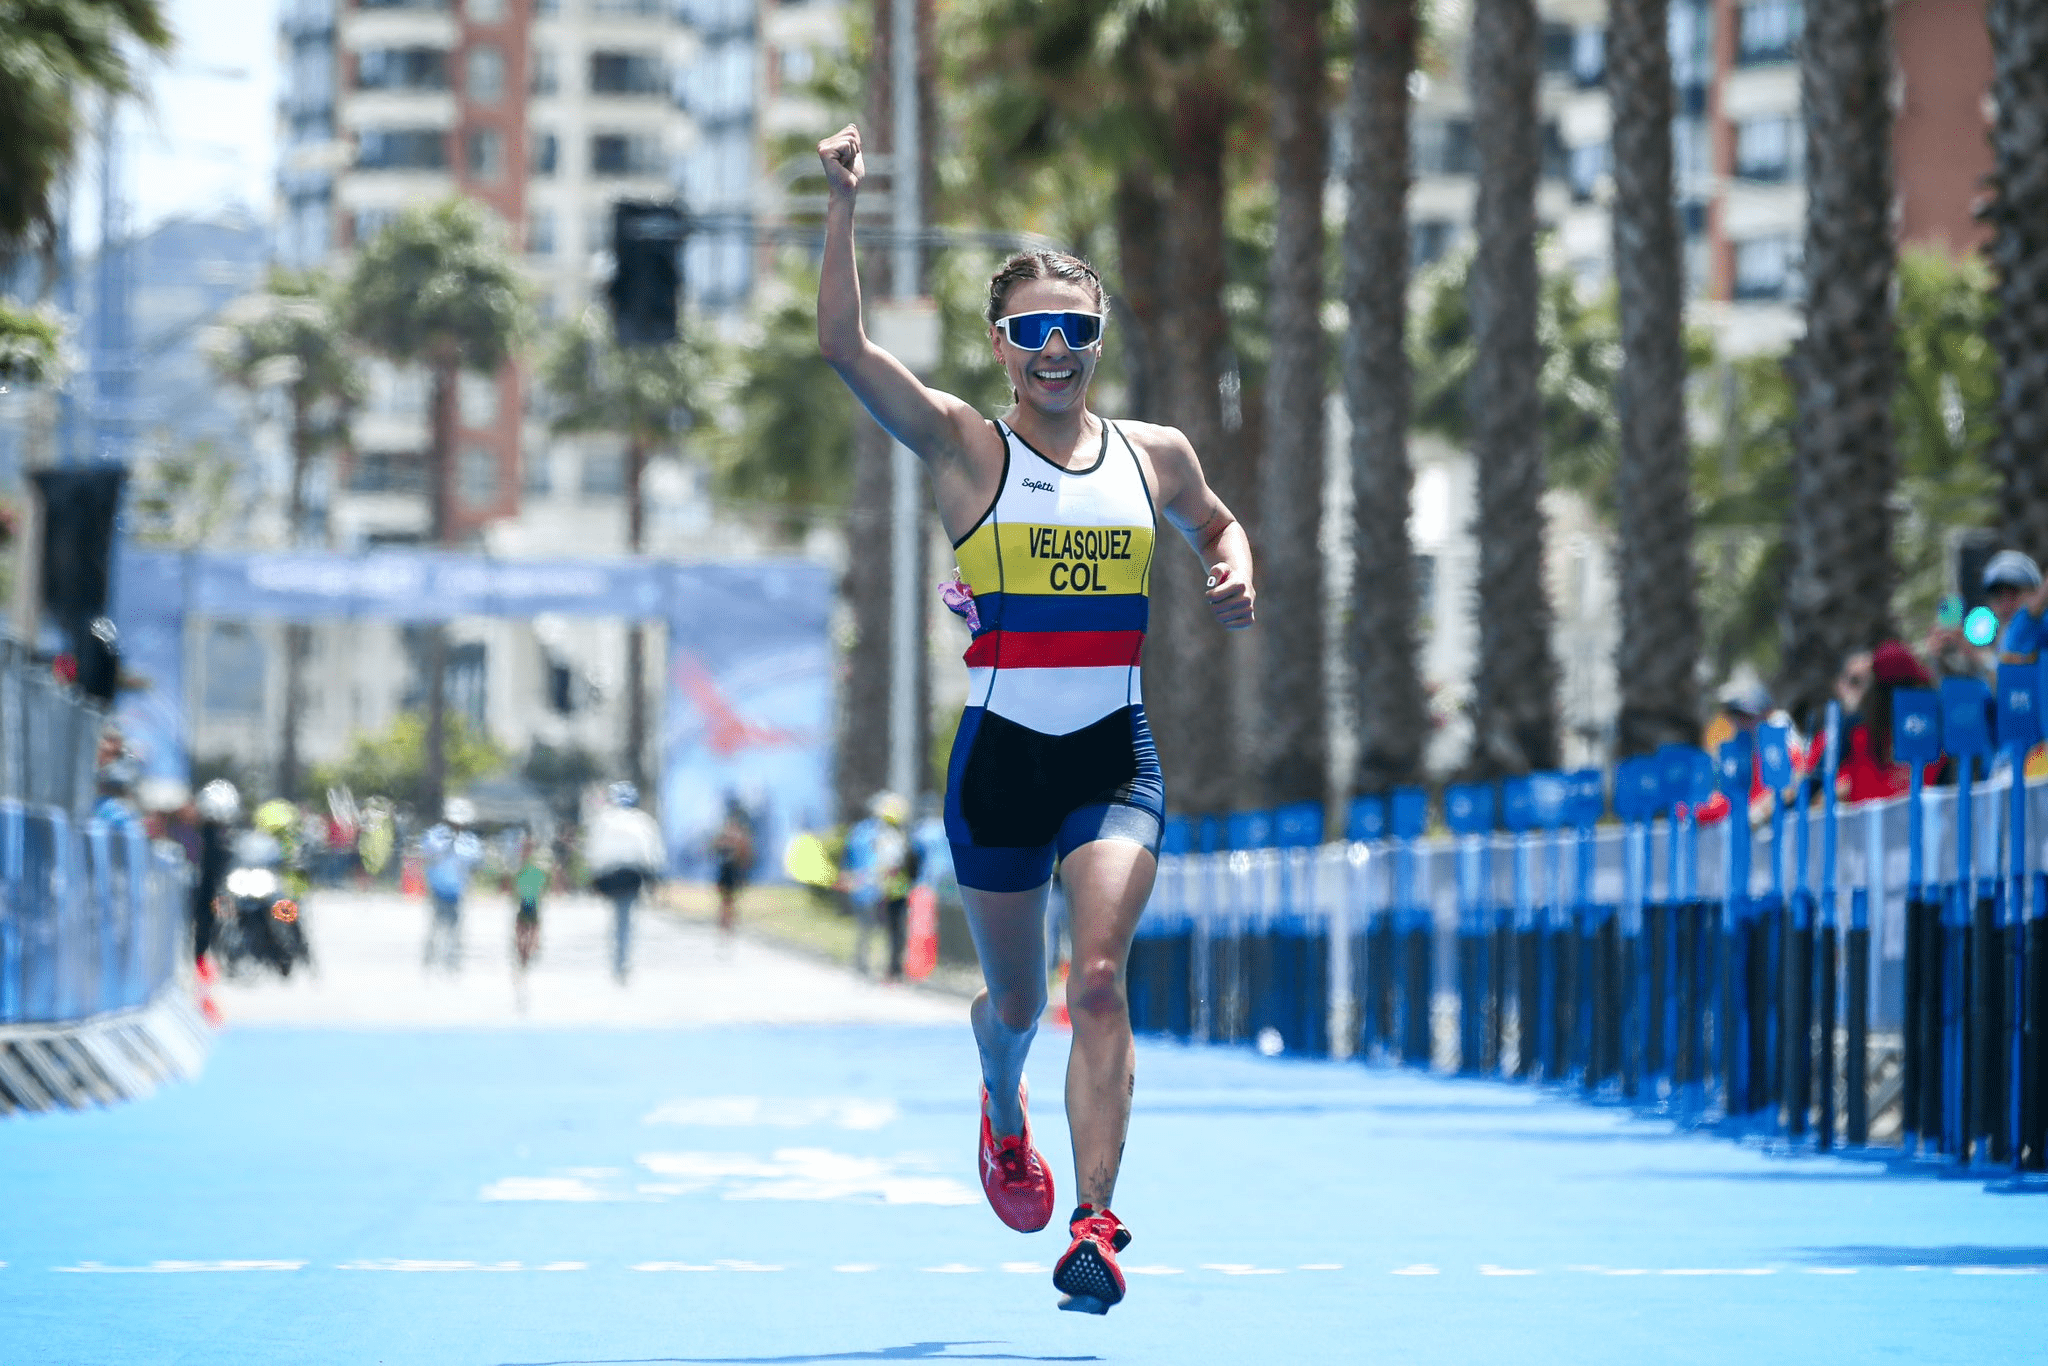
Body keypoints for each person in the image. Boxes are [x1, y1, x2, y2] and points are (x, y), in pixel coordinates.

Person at [815, 124, 1256, 1315]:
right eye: (1033, 332)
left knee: (1098, 981)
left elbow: (1215, 523)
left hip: (1113, 759)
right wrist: (845, 200)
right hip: (998, 769)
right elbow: (843, 346)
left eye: (1077, 332)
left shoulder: (1153, 454)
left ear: (1098, 344)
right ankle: (1000, 1099)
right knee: (1019, 1003)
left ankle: (1096, 1224)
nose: (1056, 351)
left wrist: (1233, 567)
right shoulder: (967, 448)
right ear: (1001, 347)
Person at [586, 781, 665, 983]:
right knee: (625, 918)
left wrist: (593, 880)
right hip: (631, 876)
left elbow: (594, 852)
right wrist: (654, 880)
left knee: (618, 918)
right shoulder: (643, 821)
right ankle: (622, 959)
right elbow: (652, 854)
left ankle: (618, 958)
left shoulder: (604, 819)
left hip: (610, 877)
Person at [421, 799, 483, 972]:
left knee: (455, 928)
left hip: (457, 891)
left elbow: (474, 861)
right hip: (437, 888)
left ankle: (452, 962)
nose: (456, 826)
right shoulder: (435, 834)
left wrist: (458, 846)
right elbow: (428, 851)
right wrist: (447, 843)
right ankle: (430, 959)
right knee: (435, 925)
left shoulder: (469, 840)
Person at [193, 779, 242, 967]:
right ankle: (202, 961)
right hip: (210, 890)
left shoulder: (227, 834)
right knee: (205, 922)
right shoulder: (206, 835)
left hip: (227, 887)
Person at [710, 797, 756, 934]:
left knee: (729, 899)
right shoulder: (727, 835)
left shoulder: (740, 836)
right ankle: (725, 921)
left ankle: (728, 921)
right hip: (726, 870)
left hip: (733, 871)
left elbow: (746, 855)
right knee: (726, 898)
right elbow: (715, 848)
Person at [512, 837, 547, 973]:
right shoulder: (532, 865)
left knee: (528, 929)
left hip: (530, 900)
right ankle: (525, 952)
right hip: (528, 900)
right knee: (526, 929)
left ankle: (525, 952)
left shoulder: (525, 865)